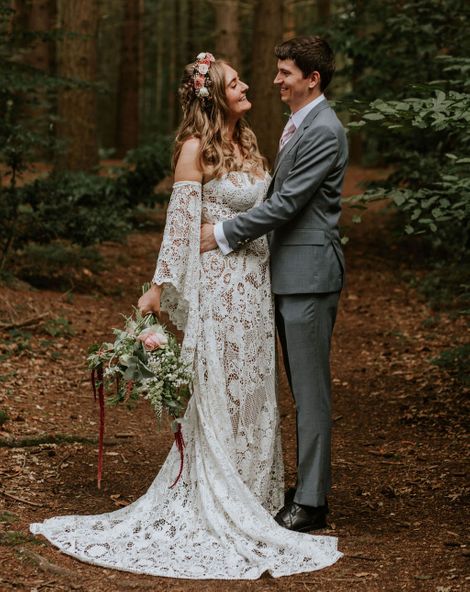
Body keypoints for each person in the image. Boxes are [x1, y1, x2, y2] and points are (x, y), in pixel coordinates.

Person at [30, 52, 342, 579]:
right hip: (219, 288)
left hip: (255, 288)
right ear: (213, 95)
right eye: (236, 82)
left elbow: (278, 208)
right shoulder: (195, 149)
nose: (250, 86)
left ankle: (253, 491)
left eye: (247, 79)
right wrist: (157, 287)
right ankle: (217, 492)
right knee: (220, 391)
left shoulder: (249, 142)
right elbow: (179, 227)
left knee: (254, 392)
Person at [200, 36, 348, 533]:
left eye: (285, 72)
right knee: (297, 388)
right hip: (286, 274)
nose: (276, 80)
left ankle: (311, 501)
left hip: (308, 276)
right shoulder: (296, 125)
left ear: (313, 79)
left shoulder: (324, 130)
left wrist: (220, 233)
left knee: (310, 391)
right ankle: (306, 483)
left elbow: (285, 205)